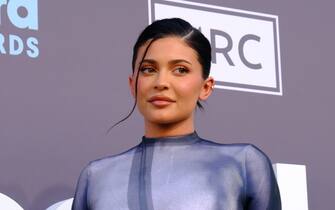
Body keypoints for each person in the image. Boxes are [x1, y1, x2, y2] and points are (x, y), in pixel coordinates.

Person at [71, 18, 281, 210]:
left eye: (180, 70)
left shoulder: (244, 164)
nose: (161, 83)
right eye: (148, 69)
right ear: (132, 84)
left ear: (205, 87)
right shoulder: (96, 178)